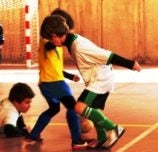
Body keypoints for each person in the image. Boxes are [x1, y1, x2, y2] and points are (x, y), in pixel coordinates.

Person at [40, 14, 141, 149]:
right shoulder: (71, 41)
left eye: (50, 39)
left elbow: (107, 55)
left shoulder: (79, 46)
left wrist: (130, 64)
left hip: (100, 79)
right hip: (99, 77)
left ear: (54, 35)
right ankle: (102, 138)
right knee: (93, 109)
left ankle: (113, 128)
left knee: (79, 107)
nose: (51, 43)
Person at [24, 14, 92, 150]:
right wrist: (55, 40)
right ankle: (77, 141)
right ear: (54, 35)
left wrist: (70, 76)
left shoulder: (56, 46)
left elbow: (55, 68)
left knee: (53, 109)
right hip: (54, 84)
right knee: (73, 108)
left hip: (46, 83)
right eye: (63, 33)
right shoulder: (46, 43)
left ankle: (33, 135)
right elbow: (49, 45)